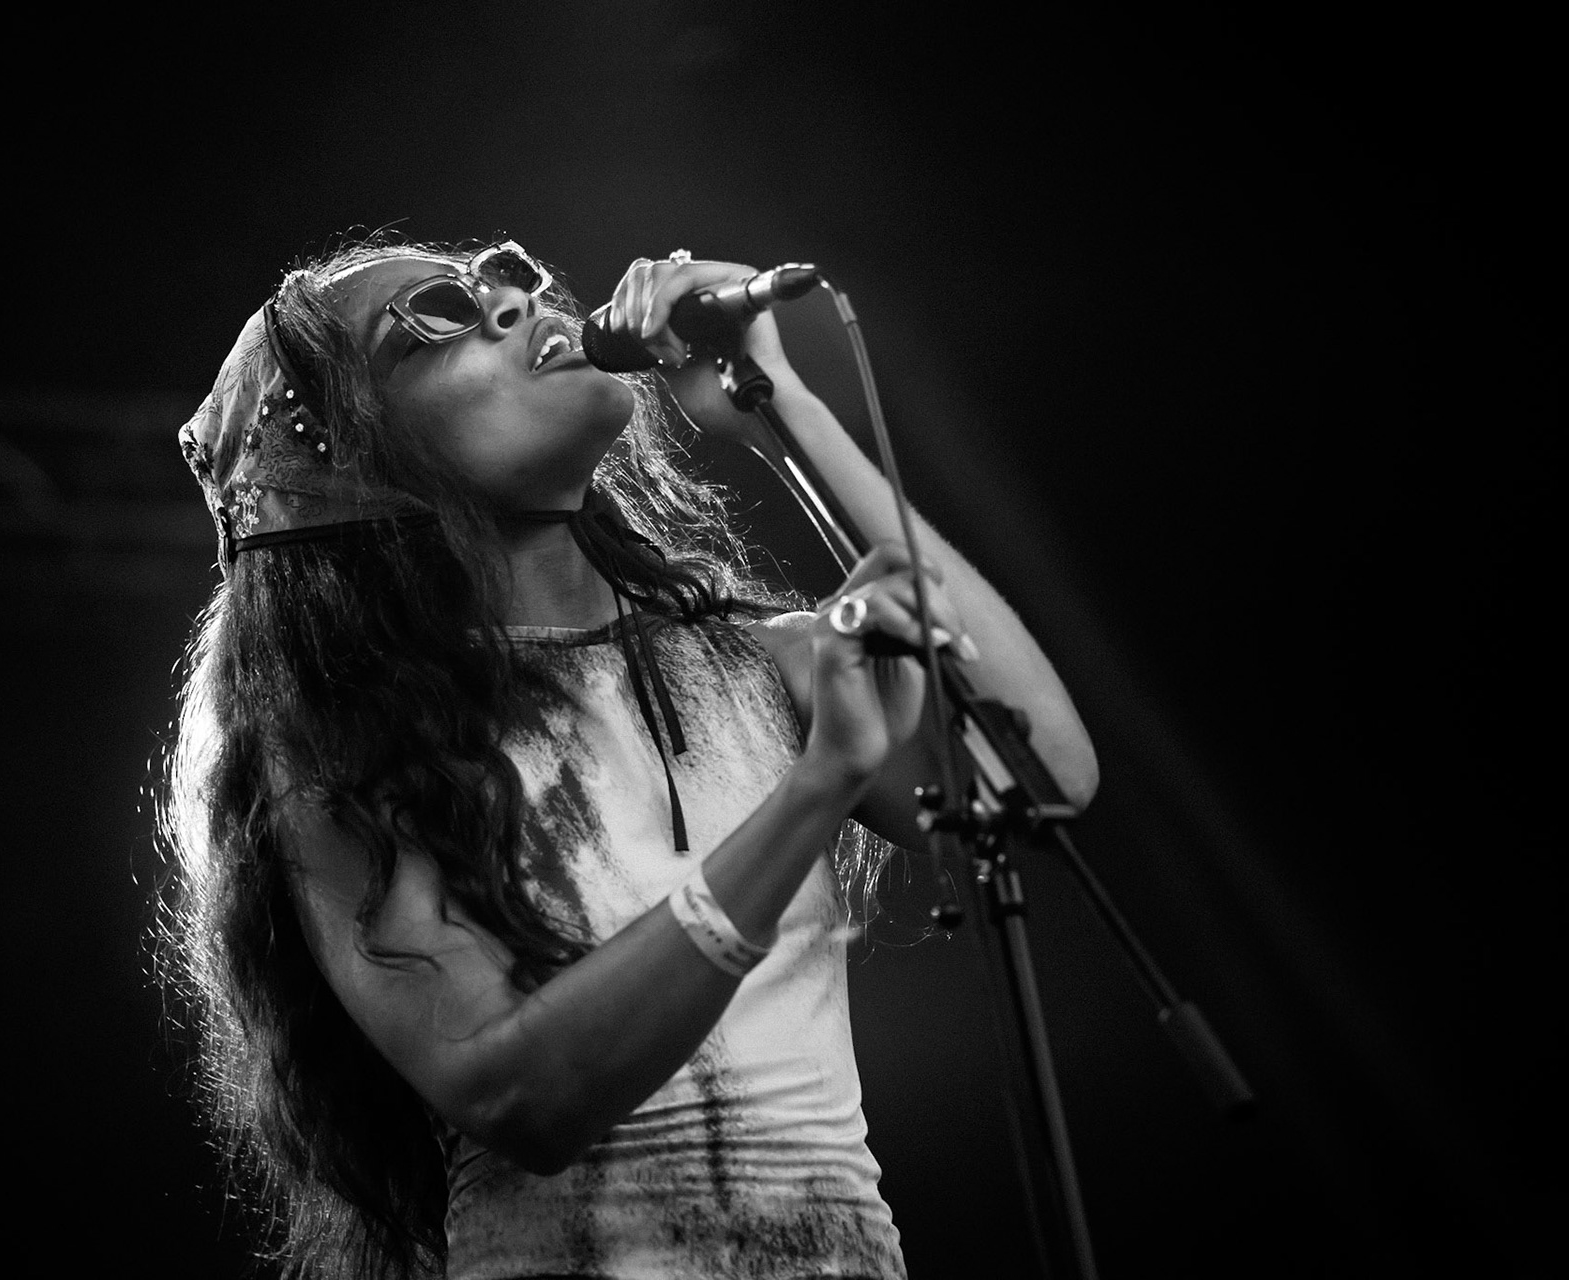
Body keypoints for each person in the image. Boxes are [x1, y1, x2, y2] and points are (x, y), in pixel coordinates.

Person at [163, 236, 1098, 1280]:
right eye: (438, 313)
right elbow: (523, 1097)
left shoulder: (757, 664)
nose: (516, 300)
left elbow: (1038, 774)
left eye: (512, 279)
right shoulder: (344, 749)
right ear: (349, 460)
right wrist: (814, 788)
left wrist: (777, 400)